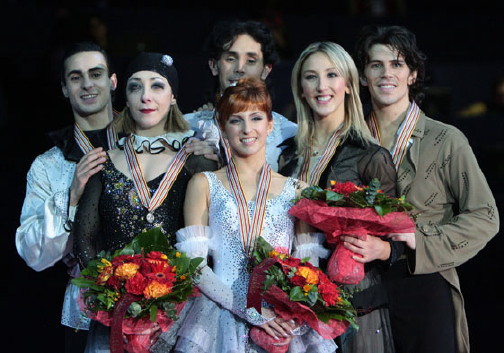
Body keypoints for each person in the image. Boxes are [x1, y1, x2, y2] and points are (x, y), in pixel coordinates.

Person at [353, 24, 500, 353]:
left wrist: (420, 241)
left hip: (423, 281)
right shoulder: (349, 141)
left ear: (413, 75)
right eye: (376, 65)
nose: (386, 73)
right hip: (359, 282)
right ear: (363, 77)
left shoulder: (445, 140)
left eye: (397, 64)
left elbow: (485, 216)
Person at [169, 77, 337, 352]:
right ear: (222, 127)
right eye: (236, 120)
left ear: (270, 124)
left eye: (256, 118)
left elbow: (307, 269)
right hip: (220, 315)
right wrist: (249, 309)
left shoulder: (297, 191)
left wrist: (289, 309)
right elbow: (195, 267)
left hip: (282, 319)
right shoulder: (203, 183)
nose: (247, 129)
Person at [72, 51, 217, 352]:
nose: (145, 96)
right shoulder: (104, 162)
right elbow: (84, 239)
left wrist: (170, 302)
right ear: (124, 95)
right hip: (115, 317)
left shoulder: (196, 161)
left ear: (173, 96)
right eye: (135, 86)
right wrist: (111, 296)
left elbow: (214, 241)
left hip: (178, 320)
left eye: (157, 86)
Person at [278, 41, 400, 353]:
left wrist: (384, 249)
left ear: (347, 84)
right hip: (296, 304)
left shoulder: (369, 156)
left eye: (332, 75)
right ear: (300, 88)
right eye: (311, 77)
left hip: (356, 307)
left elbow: (400, 232)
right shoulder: (287, 156)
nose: (322, 86)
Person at [15, 41, 120, 353]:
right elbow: (33, 255)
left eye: (96, 74)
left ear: (112, 81)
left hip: (158, 302)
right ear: (64, 88)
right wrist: (71, 196)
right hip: (86, 311)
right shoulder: (49, 165)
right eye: (76, 77)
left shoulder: (148, 144)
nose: (87, 84)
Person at [183, 18, 297, 171]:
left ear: (266, 70)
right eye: (231, 59)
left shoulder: (289, 133)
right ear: (214, 65)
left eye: (251, 61)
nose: (240, 68)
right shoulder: (187, 127)